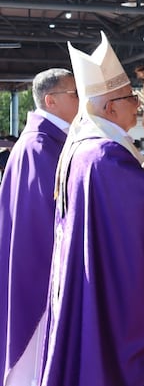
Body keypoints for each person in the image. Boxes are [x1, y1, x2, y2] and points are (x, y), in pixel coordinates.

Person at [41, 33, 144, 386]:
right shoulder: (104, 154)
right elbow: (141, 206)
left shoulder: (89, 147)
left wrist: (143, 174)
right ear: (110, 108)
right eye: (131, 98)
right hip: (107, 285)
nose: (138, 105)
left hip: (89, 274)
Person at [0, 68, 79, 385]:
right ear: (51, 100)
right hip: (40, 272)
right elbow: (58, 212)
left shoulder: (45, 142)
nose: (82, 101)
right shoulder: (41, 147)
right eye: (75, 94)